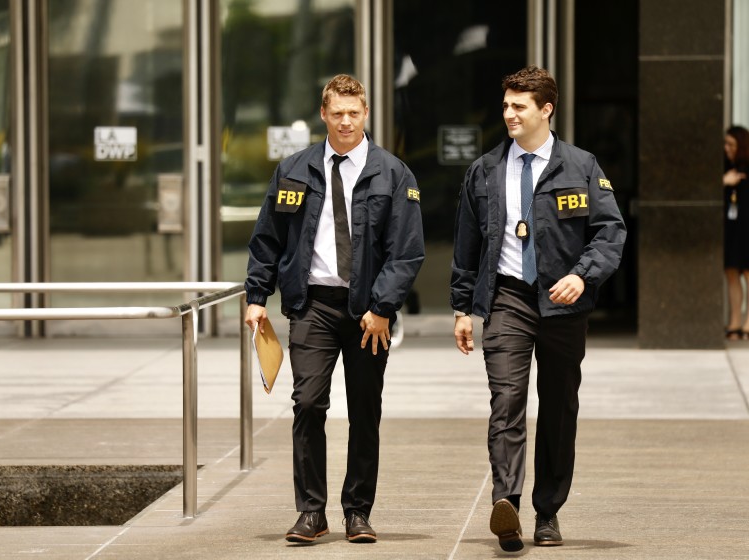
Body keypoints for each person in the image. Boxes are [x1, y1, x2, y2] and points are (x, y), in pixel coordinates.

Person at [450, 66, 626, 552]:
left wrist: (581, 274)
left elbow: (610, 233)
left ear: (545, 110)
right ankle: (505, 502)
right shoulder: (484, 170)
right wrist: (463, 308)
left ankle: (547, 512)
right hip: (507, 298)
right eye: (505, 105)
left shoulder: (582, 166)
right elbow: (467, 245)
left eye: (518, 106)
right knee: (506, 401)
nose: (508, 113)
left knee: (558, 409)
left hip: (562, 303)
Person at [244, 74, 424, 544]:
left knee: (365, 410)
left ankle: (358, 511)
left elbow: (407, 252)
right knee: (307, 404)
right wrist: (256, 297)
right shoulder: (293, 169)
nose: (346, 121)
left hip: (369, 311)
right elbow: (267, 239)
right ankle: (311, 512)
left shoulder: (393, 172)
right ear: (323, 115)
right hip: (313, 306)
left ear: (365, 114)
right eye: (337, 113)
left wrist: (383, 307)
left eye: (354, 113)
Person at [723, 125, 749, 340]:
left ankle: (748, 322)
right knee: (731, 273)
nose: (727, 148)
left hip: (747, 227)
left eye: (731, 144)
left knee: (748, 274)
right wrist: (724, 182)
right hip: (731, 228)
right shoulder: (724, 168)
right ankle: (735, 321)